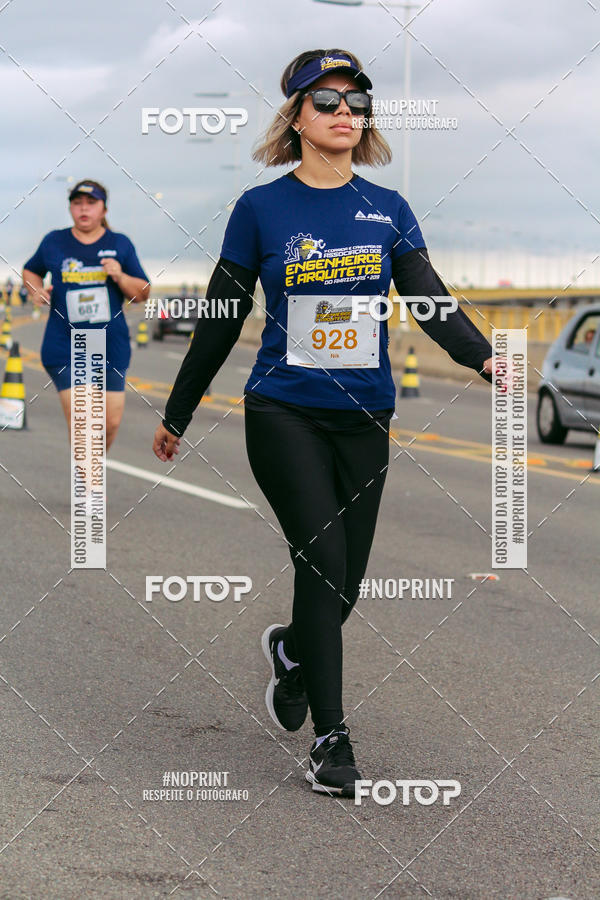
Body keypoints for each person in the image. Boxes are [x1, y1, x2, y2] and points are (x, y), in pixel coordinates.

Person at [152, 49, 496, 798]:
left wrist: (485, 357)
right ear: (297, 118)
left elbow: (429, 298)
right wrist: (178, 411)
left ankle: (293, 651)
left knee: (347, 584)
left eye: (357, 102)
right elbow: (221, 316)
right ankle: (331, 744)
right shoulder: (260, 209)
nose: (346, 112)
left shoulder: (388, 208)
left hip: (365, 415)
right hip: (284, 410)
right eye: (328, 101)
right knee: (321, 563)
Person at [23, 179, 150, 451]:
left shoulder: (120, 244)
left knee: (109, 424)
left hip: (110, 347)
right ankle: (89, 478)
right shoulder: (54, 241)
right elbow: (31, 270)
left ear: (104, 210)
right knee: (85, 421)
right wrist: (36, 291)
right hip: (65, 345)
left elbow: (142, 293)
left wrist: (120, 275)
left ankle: (90, 468)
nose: (83, 208)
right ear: (70, 208)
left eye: (91, 203)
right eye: (77, 203)